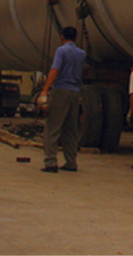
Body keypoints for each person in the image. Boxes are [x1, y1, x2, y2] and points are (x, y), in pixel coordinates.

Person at [38, 26, 86, 173]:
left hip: (61, 91)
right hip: (75, 93)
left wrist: (45, 90)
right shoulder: (82, 53)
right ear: (76, 38)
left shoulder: (61, 50)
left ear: (62, 37)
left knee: (52, 128)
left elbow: (55, 70)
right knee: (71, 130)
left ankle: (50, 163)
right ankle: (71, 162)